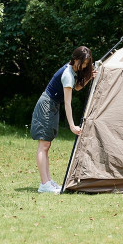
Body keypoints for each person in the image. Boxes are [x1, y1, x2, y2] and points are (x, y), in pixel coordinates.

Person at [31, 46, 96, 193]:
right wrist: (72, 126)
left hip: (52, 105)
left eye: (87, 64)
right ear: (75, 59)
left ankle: (47, 181)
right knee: (43, 145)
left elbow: (77, 87)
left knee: (46, 145)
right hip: (47, 105)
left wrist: (89, 77)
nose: (84, 66)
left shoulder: (72, 70)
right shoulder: (67, 74)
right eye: (83, 63)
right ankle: (44, 184)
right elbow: (68, 103)